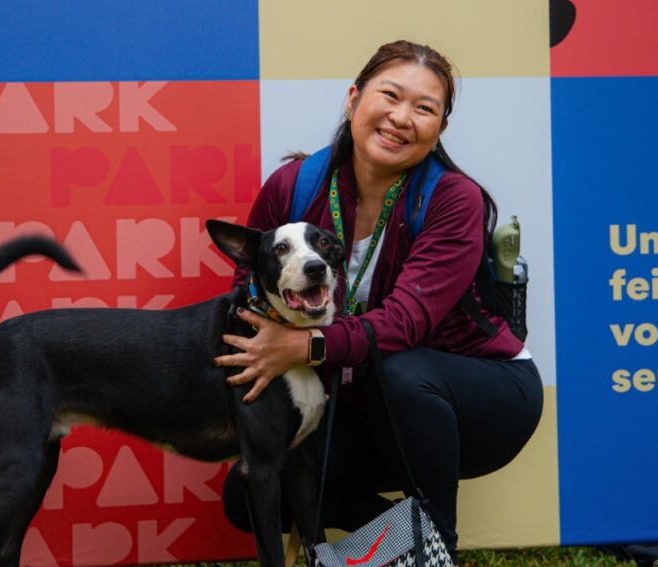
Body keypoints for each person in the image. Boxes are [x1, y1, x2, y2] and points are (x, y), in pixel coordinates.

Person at [213, 40, 544, 564]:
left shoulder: (454, 199)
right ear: (353, 99)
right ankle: (411, 540)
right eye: (390, 95)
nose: (401, 117)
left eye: (424, 108)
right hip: (366, 404)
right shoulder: (295, 186)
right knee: (250, 493)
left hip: (482, 393)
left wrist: (303, 345)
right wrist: (266, 337)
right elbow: (248, 280)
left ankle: (439, 552)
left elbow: (406, 322)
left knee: (402, 368)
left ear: (440, 128)